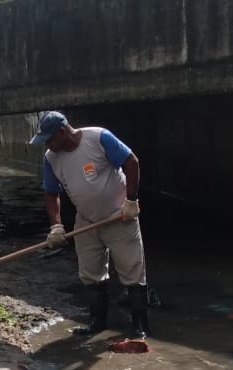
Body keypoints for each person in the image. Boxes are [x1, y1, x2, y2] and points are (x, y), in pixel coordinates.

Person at [30, 111, 149, 340]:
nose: (48, 145)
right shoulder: (51, 158)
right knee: (90, 273)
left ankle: (140, 327)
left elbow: (131, 161)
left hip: (119, 216)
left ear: (63, 133)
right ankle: (97, 323)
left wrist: (131, 200)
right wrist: (56, 226)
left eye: (49, 139)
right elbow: (51, 193)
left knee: (132, 271)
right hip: (86, 220)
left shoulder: (98, 138)